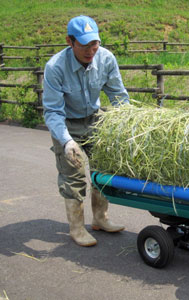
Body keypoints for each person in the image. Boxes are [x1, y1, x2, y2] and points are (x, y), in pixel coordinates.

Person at [43, 15, 130, 247]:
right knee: (74, 173)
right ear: (70, 42)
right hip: (67, 124)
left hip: (95, 119)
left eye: (95, 43)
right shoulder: (55, 67)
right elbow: (52, 111)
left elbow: (118, 96)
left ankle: (101, 218)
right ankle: (77, 227)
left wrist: (129, 122)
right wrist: (66, 141)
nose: (91, 50)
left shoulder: (106, 58)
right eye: (84, 45)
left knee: (104, 170)